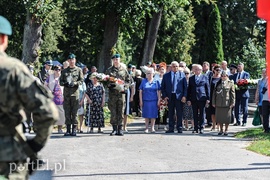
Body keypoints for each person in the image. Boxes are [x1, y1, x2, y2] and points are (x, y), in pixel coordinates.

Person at [0, 15, 58, 179]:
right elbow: (48, 112)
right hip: (7, 156)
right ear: (4, 38)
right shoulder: (13, 70)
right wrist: (36, 144)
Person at [105, 54, 131, 136]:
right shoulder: (109, 70)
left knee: (121, 111)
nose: (116, 61)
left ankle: (120, 129)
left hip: (121, 94)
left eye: (117, 59)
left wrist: (125, 87)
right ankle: (114, 129)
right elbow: (105, 81)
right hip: (112, 94)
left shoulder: (124, 70)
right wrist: (109, 85)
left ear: (119, 60)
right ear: (112, 61)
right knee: (113, 111)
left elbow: (128, 80)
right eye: (114, 60)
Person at [59, 53, 84, 136]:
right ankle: (68, 130)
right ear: (68, 61)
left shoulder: (79, 70)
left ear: (75, 60)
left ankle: (74, 130)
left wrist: (75, 83)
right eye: (70, 60)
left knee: (74, 112)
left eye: (73, 60)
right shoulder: (64, 71)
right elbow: (60, 82)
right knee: (67, 112)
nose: (71, 61)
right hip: (66, 95)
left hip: (75, 95)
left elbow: (81, 80)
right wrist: (65, 83)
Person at [161, 61, 187, 133]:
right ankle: (171, 128)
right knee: (171, 113)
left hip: (179, 96)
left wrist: (184, 96)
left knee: (179, 113)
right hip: (170, 96)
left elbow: (185, 87)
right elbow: (163, 87)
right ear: (171, 67)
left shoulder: (182, 75)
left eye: (176, 66)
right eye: (174, 66)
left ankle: (179, 127)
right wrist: (165, 96)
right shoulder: (166, 76)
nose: (175, 68)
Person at [187, 64, 210, 134]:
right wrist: (188, 99)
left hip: (202, 98)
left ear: (201, 70)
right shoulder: (191, 78)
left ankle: (201, 127)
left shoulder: (205, 77)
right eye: (196, 69)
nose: (197, 71)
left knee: (202, 113)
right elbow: (189, 89)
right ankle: (195, 127)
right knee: (195, 113)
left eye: (199, 69)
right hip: (194, 98)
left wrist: (208, 98)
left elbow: (207, 88)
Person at [212, 71, 235, 135]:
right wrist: (213, 102)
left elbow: (232, 93)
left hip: (227, 103)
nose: (223, 77)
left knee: (227, 117)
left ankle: (226, 129)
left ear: (227, 76)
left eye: (224, 76)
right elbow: (214, 94)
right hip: (219, 103)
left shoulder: (230, 83)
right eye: (222, 76)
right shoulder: (218, 83)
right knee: (220, 117)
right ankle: (221, 130)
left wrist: (232, 102)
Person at [44, 65, 65, 133]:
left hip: (61, 98)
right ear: (54, 70)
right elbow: (45, 85)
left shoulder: (62, 77)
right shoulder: (50, 77)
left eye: (59, 69)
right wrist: (48, 90)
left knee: (61, 114)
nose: (58, 71)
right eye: (56, 69)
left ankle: (60, 128)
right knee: (51, 113)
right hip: (52, 98)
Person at [139, 68, 161, 133]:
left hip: (154, 100)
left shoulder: (156, 81)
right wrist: (141, 100)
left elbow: (159, 91)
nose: (148, 75)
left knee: (153, 115)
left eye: (150, 73)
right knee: (146, 114)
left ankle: (152, 127)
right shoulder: (143, 81)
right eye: (147, 73)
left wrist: (159, 99)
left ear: (153, 74)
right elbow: (140, 91)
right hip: (145, 100)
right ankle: (146, 128)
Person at [154, 62, 168, 129]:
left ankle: (164, 124)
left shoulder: (167, 76)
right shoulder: (156, 77)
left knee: (165, 110)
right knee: (158, 109)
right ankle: (157, 123)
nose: (162, 71)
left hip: (164, 95)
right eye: (161, 69)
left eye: (163, 69)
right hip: (157, 94)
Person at [208, 65, 222, 131]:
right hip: (212, 97)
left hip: (220, 97)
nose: (218, 71)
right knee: (213, 112)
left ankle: (218, 126)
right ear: (214, 70)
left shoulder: (222, 78)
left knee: (219, 112)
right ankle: (213, 125)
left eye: (219, 70)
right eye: (217, 70)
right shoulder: (211, 78)